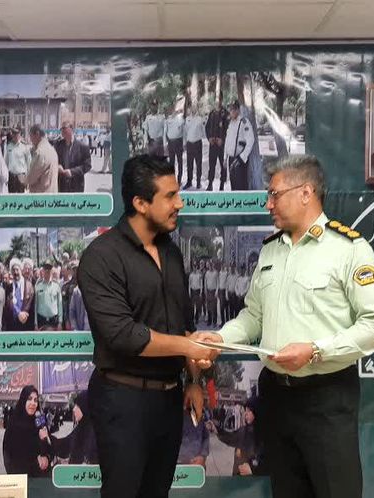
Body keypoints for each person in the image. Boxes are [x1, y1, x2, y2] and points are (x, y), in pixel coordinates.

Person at [194, 155, 374, 498]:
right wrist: (220, 338)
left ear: (306, 192)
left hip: (326, 398)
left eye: (274, 194)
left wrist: (315, 351)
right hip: (277, 399)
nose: (268, 204)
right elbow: (253, 316)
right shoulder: (271, 251)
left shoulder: (349, 250)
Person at [77, 154, 217, 498]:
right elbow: (123, 335)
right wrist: (188, 347)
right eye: (170, 196)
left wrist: (194, 380)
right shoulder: (101, 256)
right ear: (140, 203)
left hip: (169, 402)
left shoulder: (172, 253)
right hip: (122, 401)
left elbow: (184, 324)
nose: (180, 203)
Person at [2, 386, 54, 477]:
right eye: (29, 399)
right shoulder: (14, 424)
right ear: (23, 401)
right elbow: (9, 456)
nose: (33, 403)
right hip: (22, 477)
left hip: (42, 477)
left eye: (35, 400)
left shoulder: (40, 420)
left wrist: (47, 457)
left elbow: (50, 447)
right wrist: (36, 461)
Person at [209, 396, 262, 476]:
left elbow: (268, 462)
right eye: (245, 410)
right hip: (237, 476)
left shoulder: (263, 435)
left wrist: (253, 469)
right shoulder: (244, 430)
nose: (245, 413)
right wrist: (215, 427)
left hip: (253, 481)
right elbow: (229, 437)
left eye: (249, 410)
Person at [54, 390, 98, 464]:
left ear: (85, 407)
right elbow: (63, 446)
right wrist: (47, 438)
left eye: (77, 406)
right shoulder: (79, 429)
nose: (74, 409)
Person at [223, 102, 254, 191]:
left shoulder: (244, 122)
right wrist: (225, 158)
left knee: (241, 185)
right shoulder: (231, 123)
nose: (231, 112)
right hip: (231, 159)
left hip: (240, 159)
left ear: (238, 110)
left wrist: (242, 157)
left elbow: (250, 141)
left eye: (233, 110)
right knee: (233, 184)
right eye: (230, 110)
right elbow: (227, 141)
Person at [55, 122, 93, 193]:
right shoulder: (58, 145)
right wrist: (58, 165)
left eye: (64, 128)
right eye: (61, 129)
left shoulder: (83, 146)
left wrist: (72, 172)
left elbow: (87, 166)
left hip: (76, 184)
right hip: (62, 184)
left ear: (72, 129)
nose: (62, 131)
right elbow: (55, 160)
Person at [4, 258, 35, 331]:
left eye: (17, 270)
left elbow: (31, 301)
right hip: (13, 324)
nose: (15, 272)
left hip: (26, 321)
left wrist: (24, 313)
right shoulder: (8, 287)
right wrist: (19, 313)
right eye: (13, 270)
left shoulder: (29, 285)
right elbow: (9, 302)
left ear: (21, 270)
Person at [27, 125, 59, 193]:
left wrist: (22, 178)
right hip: (51, 193)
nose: (30, 140)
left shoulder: (40, 152)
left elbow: (31, 178)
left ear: (37, 135)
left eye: (31, 136)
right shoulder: (52, 149)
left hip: (41, 195)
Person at [205, 100, 229, 191]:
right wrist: (209, 138)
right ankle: (210, 184)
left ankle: (222, 185)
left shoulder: (226, 113)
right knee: (211, 165)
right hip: (213, 145)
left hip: (221, 145)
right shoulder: (212, 113)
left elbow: (228, 129)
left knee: (223, 165)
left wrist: (222, 139)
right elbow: (207, 127)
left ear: (222, 99)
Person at [183, 107, 206, 189]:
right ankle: (189, 182)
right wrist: (184, 143)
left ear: (196, 108)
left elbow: (204, 132)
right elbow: (185, 132)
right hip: (189, 144)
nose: (192, 109)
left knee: (198, 164)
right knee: (189, 164)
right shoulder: (187, 119)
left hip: (197, 144)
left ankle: (198, 182)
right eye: (191, 107)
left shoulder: (200, 118)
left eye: (194, 107)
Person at [35, 263, 62, 331]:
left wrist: (60, 322)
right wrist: (35, 323)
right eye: (45, 270)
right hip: (41, 320)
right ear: (42, 271)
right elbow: (35, 306)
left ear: (52, 271)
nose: (47, 271)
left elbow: (60, 305)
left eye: (49, 270)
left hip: (54, 320)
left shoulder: (56, 286)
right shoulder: (38, 286)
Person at [5, 128, 32, 193]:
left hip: (21, 176)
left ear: (20, 135)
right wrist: (6, 176)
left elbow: (29, 163)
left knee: (21, 197)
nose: (15, 136)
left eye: (17, 134)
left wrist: (28, 179)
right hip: (11, 176)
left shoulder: (24, 147)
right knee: (11, 197)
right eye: (14, 134)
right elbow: (6, 162)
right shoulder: (8, 146)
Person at [165, 110, 185, 182]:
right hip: (170, 143)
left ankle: (179, 179)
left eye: (175, 111)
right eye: (172, 110)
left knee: (180, 161)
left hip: (179, 143)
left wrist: (184, 144)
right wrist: (165, 144)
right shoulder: (167, 120)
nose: (173, 112)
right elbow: (165, 133)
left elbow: (184, 132)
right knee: (171, 162)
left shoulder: (181, 120)